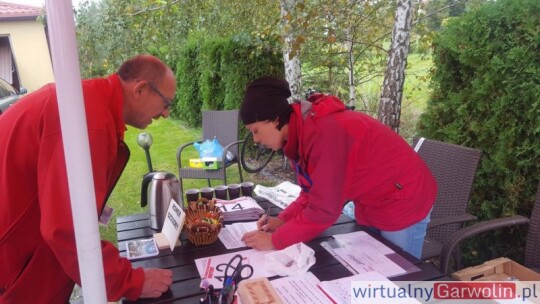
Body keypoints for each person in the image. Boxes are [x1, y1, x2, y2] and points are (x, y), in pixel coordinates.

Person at [0, 55, 175, 302]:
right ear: (140, 89)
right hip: (12, 273)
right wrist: (133, 281)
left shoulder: (92, 103)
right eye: (166, 103)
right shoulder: (89, 120)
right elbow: (67, 228)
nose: (166, 113)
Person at [240, 76, 437, 259]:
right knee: (373, 276)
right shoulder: (299, 135)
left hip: (405, 200)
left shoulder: (324, 134)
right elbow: (311, 194)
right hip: (374, 201)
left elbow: (323, 210)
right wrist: (283, 220)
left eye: (256, 131)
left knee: (400, 282)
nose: (256, 139)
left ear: (275, 119)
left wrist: (276, 241)